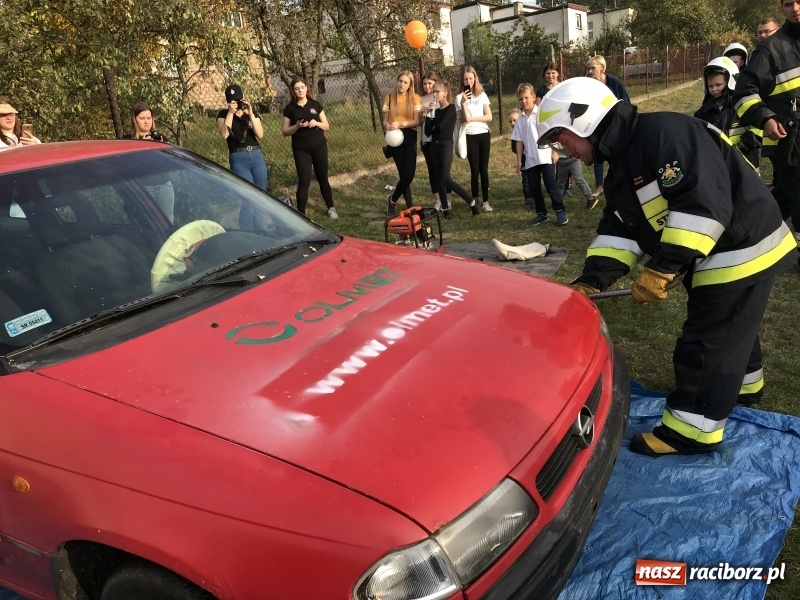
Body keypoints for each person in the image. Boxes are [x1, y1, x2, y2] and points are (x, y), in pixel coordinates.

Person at [537, 77, 796, 456]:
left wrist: (664, 267)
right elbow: (622, 227)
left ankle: (691, 430)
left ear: (584, 119)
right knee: (735, 325)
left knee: (708, 341)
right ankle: (745, 384)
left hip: (741, 248)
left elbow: (703, 204)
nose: (564, 148)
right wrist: (592, 281)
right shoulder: (626, 158)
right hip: (723, 249)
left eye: (562, 136)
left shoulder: (665, 134)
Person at [733, 0, 800, 255]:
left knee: (782, 198)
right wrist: (765, 118)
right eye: (788, 3)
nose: (795, 8)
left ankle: (749, 234)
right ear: (782, 8)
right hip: (789, 141)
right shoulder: (771, 50)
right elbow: (743, 93)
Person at [511, 83, 568, 226]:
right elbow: (518, 141)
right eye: (521, 99)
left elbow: (552, 134)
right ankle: (541, 213)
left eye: (526, 98)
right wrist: (519, 160)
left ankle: (560, 210)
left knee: (550, 185)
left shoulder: (541, 114)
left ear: (533, 97)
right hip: (530, 159)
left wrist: (555, 151)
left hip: (545, 156)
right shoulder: (520, 120)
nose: (524, 101)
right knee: (534, 187)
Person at [282, 76, 337, 219]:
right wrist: (297, 126)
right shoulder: (290, 109)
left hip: (319, 145)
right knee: (304, 180)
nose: (300, 90)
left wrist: (316, 123)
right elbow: (285, 131)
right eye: (296, 88)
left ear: (306, 88)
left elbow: (327, 126)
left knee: (322, 177)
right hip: (301, 148)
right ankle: (301, 214)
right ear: (293, 91)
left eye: (302, 87)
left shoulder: (315, 105)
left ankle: (331, 207)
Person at [424, 82, 478, 219]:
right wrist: (429, 114)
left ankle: (471, 201)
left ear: (445, 93)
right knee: (438, 177)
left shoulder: (451, 108)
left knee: (445, 178)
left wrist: (434, 124)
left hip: (445, 145)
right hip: (433, 146)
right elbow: (427, 131)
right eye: (433, 92)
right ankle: (446, 208)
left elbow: (441, 127)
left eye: (437, 91)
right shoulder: (434, 111)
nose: (434, 94)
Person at [217, 84, 268, 229]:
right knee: (249, 197)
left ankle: (261, 230)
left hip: (256, 155)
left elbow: (260, 134)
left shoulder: (249, 112)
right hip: (239, 158)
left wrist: (251, 114)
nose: (236, 103)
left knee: (261, 196)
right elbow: (224, 134)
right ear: (228, 101)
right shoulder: (223, 114)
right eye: (233, 101)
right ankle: (245, 232)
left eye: (238, 100)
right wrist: (231, 113)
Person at [694, 57, 760, 169]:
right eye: (711, 86)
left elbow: (759, 128)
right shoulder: (702, 113)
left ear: (730, 82)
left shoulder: (743, 105)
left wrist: (743, 144)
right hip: (719, 163)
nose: (714, 89)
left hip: (745, 161)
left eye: (718, 85)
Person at [586, 55, 630, 199]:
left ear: (602, 68)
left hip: (616, 124)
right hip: (597, 125)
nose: (590, 71)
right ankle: (600, 186)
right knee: (598, 154)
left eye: (593, 68)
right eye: (588, 68)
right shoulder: (588, 86)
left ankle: (621, 181)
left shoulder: (614, 82)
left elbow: (625, 101)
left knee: (618, 155)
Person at [126, 101, 175, 221]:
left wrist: (162, 144)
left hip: (164, 185)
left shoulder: (159, 138)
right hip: (143, 188)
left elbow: (171, 161)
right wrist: (141, 145)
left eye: (149, 118)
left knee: (167, 221)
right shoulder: (127, 140)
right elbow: (128, 166)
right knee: (146, 222)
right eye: (142, 118)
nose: (146, 121)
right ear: (135, 120)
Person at [383, 70, 421, 215]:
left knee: (409, 174)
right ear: (397, 81)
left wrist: (401, 124)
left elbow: (416, 121)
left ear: (410, 84)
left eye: (405, 82)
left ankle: (392, 198)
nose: (402, 84)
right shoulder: (390, 98)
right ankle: (409, 206)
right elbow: (385, 119)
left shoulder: (415, 98)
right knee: (402, 174)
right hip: (394, 138)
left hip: (409, 135)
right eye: (400, 81)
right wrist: (387, 125)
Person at [456, 66, 493, 213]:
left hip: (483, 134)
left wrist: (473, 118)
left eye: (471, 78)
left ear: (475, 78)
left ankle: (486, 201)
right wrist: (463, 104)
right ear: (462, 80)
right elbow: (463, 119)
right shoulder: (459, 98)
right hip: (469, 135)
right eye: (465, 79)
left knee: (484, 169)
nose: (468, 81)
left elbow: (489, 117)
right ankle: (475, 201)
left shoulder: (482, 95)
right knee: (474, 169)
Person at [419, 72, 443, 211]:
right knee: (432, 170)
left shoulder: (440, 97)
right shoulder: (420, 99)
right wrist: (423, 112)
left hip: (439, 139)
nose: (427, 86)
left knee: (442, 170)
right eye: (425, 83)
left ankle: (446, 198)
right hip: (426, 140)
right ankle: (437, 200)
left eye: (430, 83)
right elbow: (419, 121)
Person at [509, 108, 533, 208]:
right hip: (523, 159)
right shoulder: (514, 134)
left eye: (515, 120)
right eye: (510, 121)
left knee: (535, 178)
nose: (513, 123)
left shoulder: (528, 128)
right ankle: (528, 199)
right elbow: (514, 148)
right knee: (526, 180)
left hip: (533, 158)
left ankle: (536, 197)